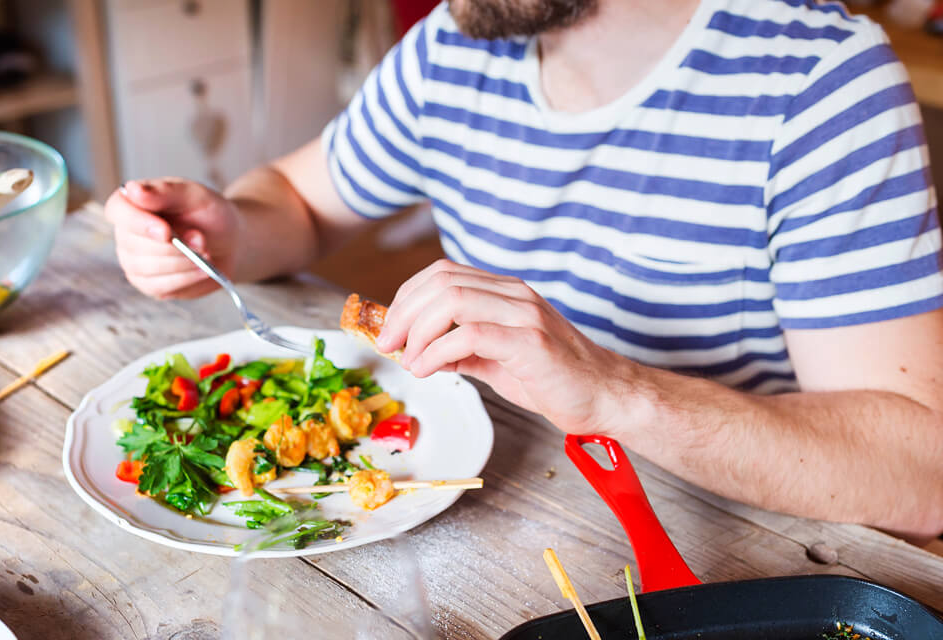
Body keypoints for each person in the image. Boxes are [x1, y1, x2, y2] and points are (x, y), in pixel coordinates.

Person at [105, 0, 943, 543]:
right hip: (493, 514)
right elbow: (296, 198)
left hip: (735, 548)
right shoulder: (448, 51)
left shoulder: (824, 81)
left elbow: (922, 471)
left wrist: (612, 390)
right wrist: (227, 231)